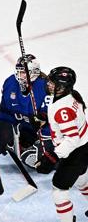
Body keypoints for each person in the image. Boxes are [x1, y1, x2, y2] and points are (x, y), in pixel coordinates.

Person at [35, 67, 88, 222]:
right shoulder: (71, 96)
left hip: (75, 152)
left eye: (53, 82)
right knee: (82, 181)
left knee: (59, 190)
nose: (49, 84)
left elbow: (72, 139)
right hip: (84, 148)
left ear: (63, 86)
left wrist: (52, 156)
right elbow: (71, 120)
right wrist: (46, 118)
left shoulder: (62, 108)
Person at [0, 54, 55, 169]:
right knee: (23, 151)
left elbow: (52, 121)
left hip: (46, 131)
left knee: (42, 161)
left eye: (23, 72)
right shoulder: (10, 83)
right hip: (25, 127)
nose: (20, 76)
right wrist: (3, 129)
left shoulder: (45, 87)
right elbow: (5, 110)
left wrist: (45, 141)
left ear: (34, 72)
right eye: (18, 71)